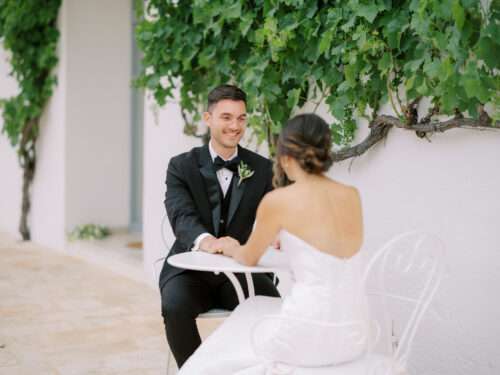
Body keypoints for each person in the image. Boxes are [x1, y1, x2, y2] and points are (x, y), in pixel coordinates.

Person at [179, 113, 371, 374]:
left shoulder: (280, 201)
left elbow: (248, 258)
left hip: (307, 332)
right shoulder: (351, 195)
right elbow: (333, 251)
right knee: (256, 309)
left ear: (286, 157)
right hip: (353, 330)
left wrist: (231, 245)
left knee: (236, 329)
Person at [159, 84, 280, 369]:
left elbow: (275, 212)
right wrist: (209, 242)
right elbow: (181, 215)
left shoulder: (262, 168)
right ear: (208, 118)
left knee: (275, 308)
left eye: (241, 118)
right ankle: (195, 371)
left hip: (238, 272)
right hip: (188, 271)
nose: (235, 126)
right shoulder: (181, 166)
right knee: (175, 307)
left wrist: (278, 232)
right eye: (226, 117)